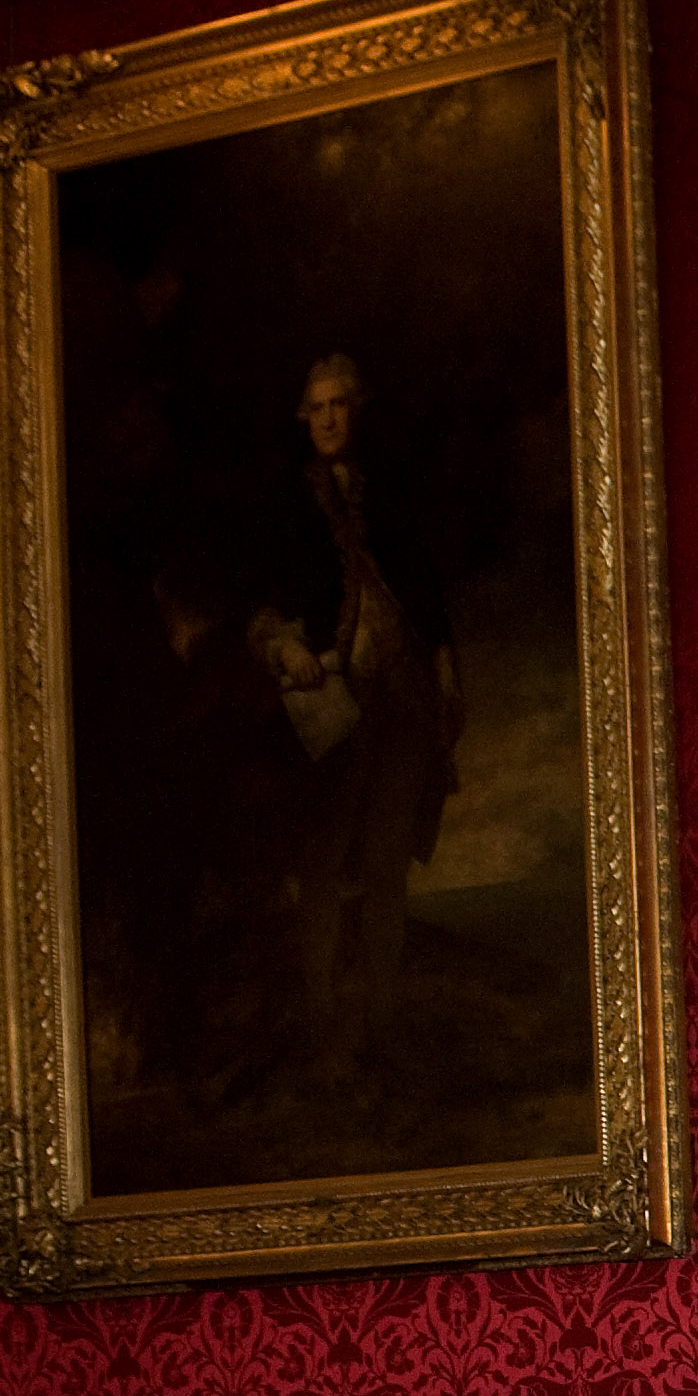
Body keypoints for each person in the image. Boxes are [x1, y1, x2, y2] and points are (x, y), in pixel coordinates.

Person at [248, 352, 464, 1061]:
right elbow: (263, 610)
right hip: (331, 709)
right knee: (323, 859)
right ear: (304, 418)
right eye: (318, 407)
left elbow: (426, 593)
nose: (330, 417)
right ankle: (320, 1020)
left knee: (385, 864)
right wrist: (286, 647)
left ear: (358, 410)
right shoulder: (285, 508)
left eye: (341, 404)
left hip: (399, 700)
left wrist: (444, 666)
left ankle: (382, 1020)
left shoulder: (391, 498)